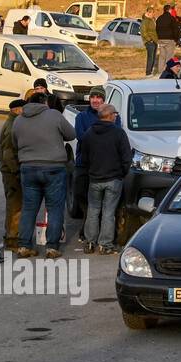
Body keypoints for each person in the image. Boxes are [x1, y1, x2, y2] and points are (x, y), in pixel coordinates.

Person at [13, 89, 76, 258]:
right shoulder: (54, 115)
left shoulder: (18, 120)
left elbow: (14, 142)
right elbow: (71, 134)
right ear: (44, 102)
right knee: (55, 208)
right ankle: (52, 247)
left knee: (29, 208)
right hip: (53, 168)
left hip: (28, 168)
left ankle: (24, 246)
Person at [79, 104, 131, 254]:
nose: (116, 116)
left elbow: (84, 157)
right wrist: (122, 173)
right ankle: (105, 245)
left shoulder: (89, 133)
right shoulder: (119, 133)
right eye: (114, 114)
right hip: (113, 179)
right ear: (109, 116)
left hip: (95, 179)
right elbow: (126, 157)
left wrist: (91, 171)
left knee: (93, 211)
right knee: (109, 212)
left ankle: (90, 242)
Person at [72, 87, 112, 227]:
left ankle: (93, 229)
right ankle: (87, 225)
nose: (95, 100)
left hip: (103, 165)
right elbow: (81, 137)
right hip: (84, 163)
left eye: (98, 97)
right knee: (81, 195)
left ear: (103, 99)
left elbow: (115, 137)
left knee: (100, 201)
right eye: (92, 97)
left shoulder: (112, 116)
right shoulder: (81, 117)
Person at [0, 98, 27, 251]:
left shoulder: (13, 122)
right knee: (15, 207)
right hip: (11, 172)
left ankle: (12, 237)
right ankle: (12, 240)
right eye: (23, 108)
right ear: (17, 110)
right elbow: (8, 153)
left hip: (9, 171)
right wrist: (16, 171)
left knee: (14, 206)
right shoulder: (12, 126)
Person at [156, 3, 181, 71]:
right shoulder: (171, 18)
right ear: (169, 10)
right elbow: (175, 30)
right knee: (169, 57)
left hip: (160, 39)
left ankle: (160, 71)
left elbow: (156, 29)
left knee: (162, 56)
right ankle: (167, 71)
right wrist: (177, 39)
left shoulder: (159, 18)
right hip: (170, 39)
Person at [140, 8, 159, 76]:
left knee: (153, 57)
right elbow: (143, 32)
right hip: (150, 42)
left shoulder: (152, 20)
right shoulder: (145, 21)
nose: (154, 14)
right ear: (148, 13)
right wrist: (149, 40)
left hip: (155, 41)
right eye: (152, 13)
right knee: (150, 58)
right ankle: (148, 73)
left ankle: (150, 72)